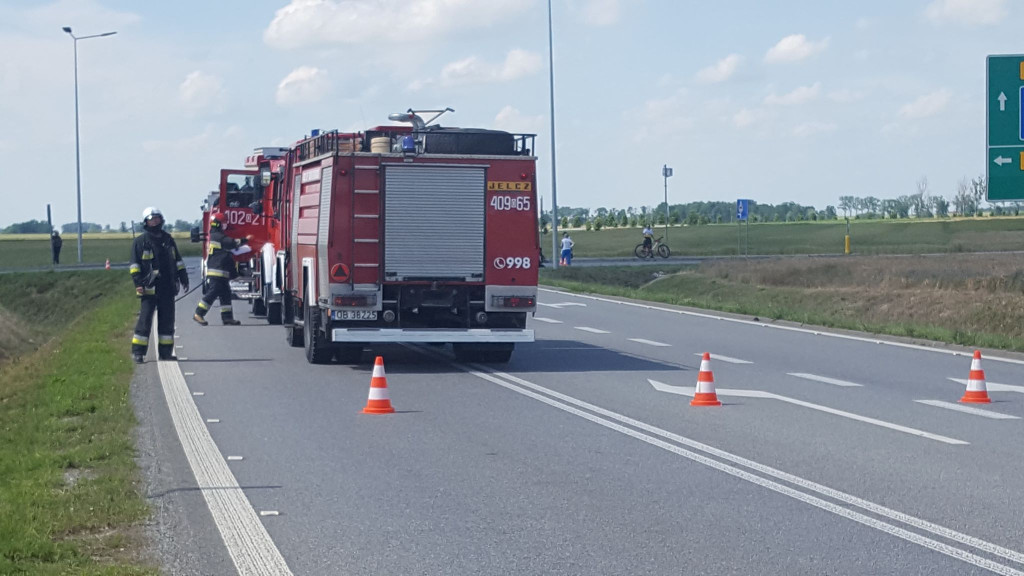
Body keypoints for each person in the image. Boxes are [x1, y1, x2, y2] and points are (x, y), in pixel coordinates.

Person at [130, 207, 189, 363]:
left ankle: (165, 353)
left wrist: (183, 277)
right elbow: (134, 265)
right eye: (152, 219)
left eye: (157, 218)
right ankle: (138, 353)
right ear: (146, 222)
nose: (155, 222)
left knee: (167, 321)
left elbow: (178, 261)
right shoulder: (140, 242)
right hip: (149, 288)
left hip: (167, 287)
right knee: (144, 321)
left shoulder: (168, 239)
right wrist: (138, 283)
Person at [193, 212, 250, 326]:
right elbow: (231, 243)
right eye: (223, 223)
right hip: (217, 271)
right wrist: (245, 239)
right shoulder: (217, 236)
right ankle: (199, 313)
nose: (225, 225)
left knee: (225, 294)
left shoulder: (217, 235)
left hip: (222, 271)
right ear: (217, 224)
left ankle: (227, 317)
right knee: (213, 292)